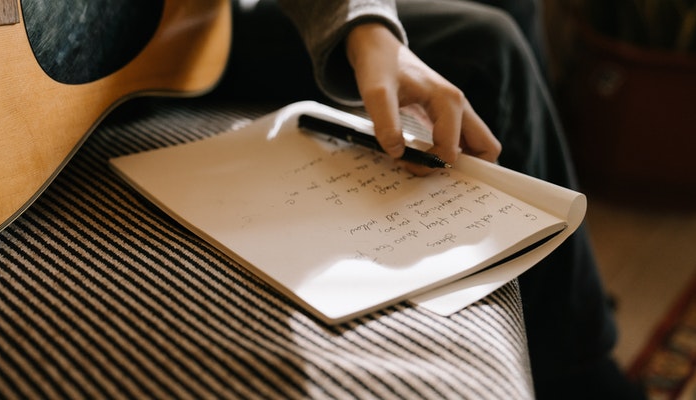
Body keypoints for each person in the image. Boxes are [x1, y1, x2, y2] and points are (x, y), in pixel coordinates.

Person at [207, 0, 646, 398]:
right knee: (489, 44)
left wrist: (367, 27)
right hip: (180, 40)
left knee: (512, 6)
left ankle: (571, 304)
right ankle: (577, 370)